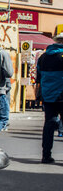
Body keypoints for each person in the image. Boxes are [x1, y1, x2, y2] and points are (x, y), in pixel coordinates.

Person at [36, 33, 63, 164]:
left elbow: (39, 78)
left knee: (49, 125)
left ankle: (46, 155)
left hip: (48, 96)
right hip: (61, 94)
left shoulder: (43, 57)